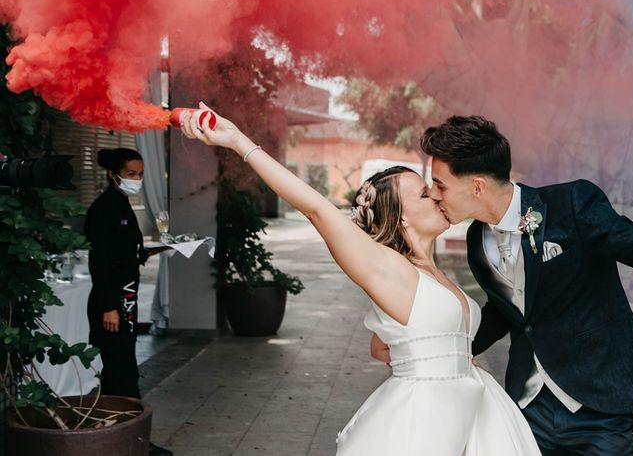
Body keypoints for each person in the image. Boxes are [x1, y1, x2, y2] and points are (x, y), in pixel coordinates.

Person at [371, 115, 633, 455]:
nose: (435, 195)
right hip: (526, 407)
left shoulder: (572, 205)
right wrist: (445, 350)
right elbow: (510, 309)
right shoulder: (479, 240)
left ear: (476, 186)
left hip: (600, 406)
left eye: (440, 185)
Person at [179, 103, 540, 455]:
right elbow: (316, 209)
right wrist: (240, 142)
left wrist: (439, 356)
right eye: (422, 191)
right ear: (401, 217)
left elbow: (382, 344)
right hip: (426, 419)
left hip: (474, 407)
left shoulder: (435, 273)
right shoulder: (386, 267)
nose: (433, 193)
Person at [85, 147, 173, 456]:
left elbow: (128, 253)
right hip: (112, 305)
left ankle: (117, 437)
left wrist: (159, 249)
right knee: (121, 372)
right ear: (113, 174)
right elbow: (100, 261)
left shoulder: (123, 206)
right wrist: (109, 306)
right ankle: (134, 441)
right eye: (131, 174)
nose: (136, 180)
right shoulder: (103, 209)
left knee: (120, 370)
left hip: (127, 300)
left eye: (140, 175)